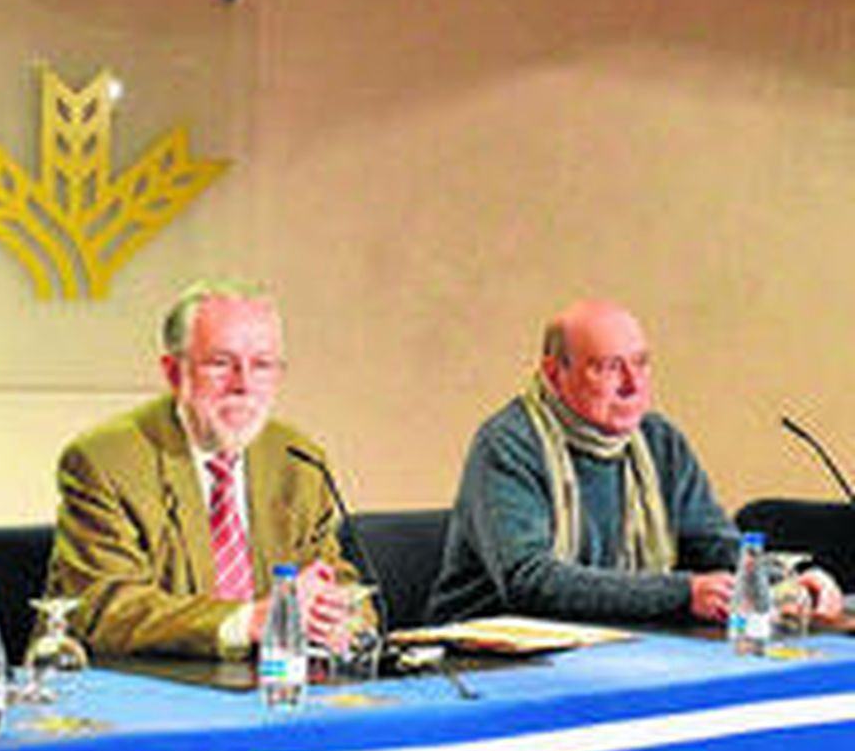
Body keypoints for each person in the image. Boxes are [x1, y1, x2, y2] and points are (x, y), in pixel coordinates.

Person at [428, 298, 844, 624]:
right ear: (555, 375)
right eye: (609, 368)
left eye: (641, 363)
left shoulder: (657, 440)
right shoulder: (509, 443)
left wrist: (786, 584)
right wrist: (682, 594)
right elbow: (529, 581)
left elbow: (713, 546)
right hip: (487, 664)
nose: (632, 385)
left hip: (622, 645)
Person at [47, 279, 365, 661]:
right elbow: (107, 610)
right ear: (173, 373)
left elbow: (335, 578)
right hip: (141, 695)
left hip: (269, 690)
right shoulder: (106, 461)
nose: (243, 384)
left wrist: (339, 615)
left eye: (262, 365)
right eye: (220, 363)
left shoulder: (297, 461)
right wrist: (248, 622)